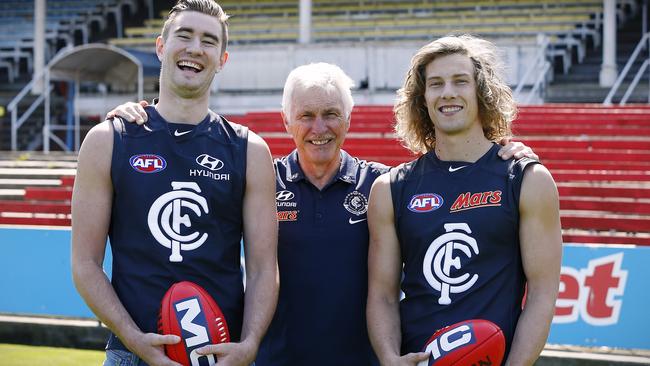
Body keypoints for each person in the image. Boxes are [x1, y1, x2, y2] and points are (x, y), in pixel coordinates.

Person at [107, 61, 537, 365]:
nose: (319, 128)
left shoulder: (383, 186)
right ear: (286, 120)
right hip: (272, 360)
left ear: (348, 118)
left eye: (331, 114)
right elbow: (185, 181)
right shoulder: (258, 184)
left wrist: (500, 150)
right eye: (306, 116)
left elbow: (448, 195)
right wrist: (141, 119)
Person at [71, 1, 279, 365]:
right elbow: (85, 263)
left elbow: (263, 268)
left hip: (219, 353)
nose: (195, 48)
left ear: (222, 60)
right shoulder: (108, 140)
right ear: (161, 47)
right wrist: (133, 338)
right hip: (129, 353)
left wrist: (249, 343)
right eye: (184, 36)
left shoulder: (250, 151)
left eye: (209, 41)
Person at [366, 35, 562, 366]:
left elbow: (542, 295)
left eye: (461, 81)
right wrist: (388, 358)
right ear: (422, 97)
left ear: (481, 91)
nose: (448, 93)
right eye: (436, 84)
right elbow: (382, 295)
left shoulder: (526, 180)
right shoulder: (390, 188)